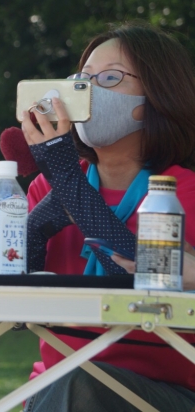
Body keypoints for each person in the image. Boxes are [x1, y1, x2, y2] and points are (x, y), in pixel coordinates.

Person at [21, 22, 195, 411]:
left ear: (158, 96)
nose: (89, 91)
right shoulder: (46, 188)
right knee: (73, 382)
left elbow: (140, 272)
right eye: (82, 81)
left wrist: (69, 181)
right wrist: (33, 229)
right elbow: (15, 302)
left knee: (83, 382)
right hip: (55, 388)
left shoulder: (183, 191)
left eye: (110, 78)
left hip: (165, 393)